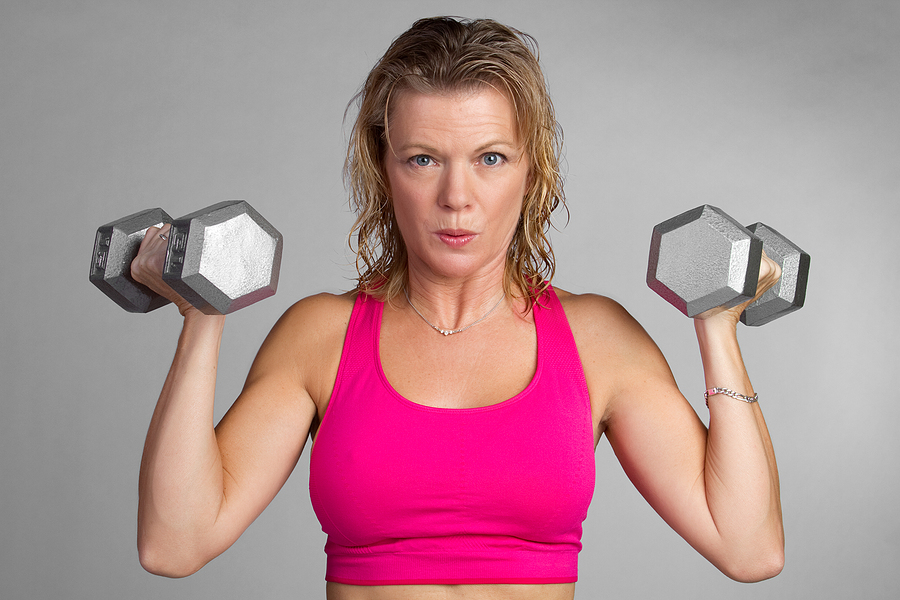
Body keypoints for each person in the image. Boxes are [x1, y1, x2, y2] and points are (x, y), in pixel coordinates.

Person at [132, 16, 785, 600]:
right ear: (383, 168)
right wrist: (201, 315)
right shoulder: (321, 336)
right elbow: (175, 543)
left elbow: (748, 547)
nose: (456, 197)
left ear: (533, 172)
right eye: (423, 159)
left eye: (490, 158)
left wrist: (718, 326)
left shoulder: (597, 340)